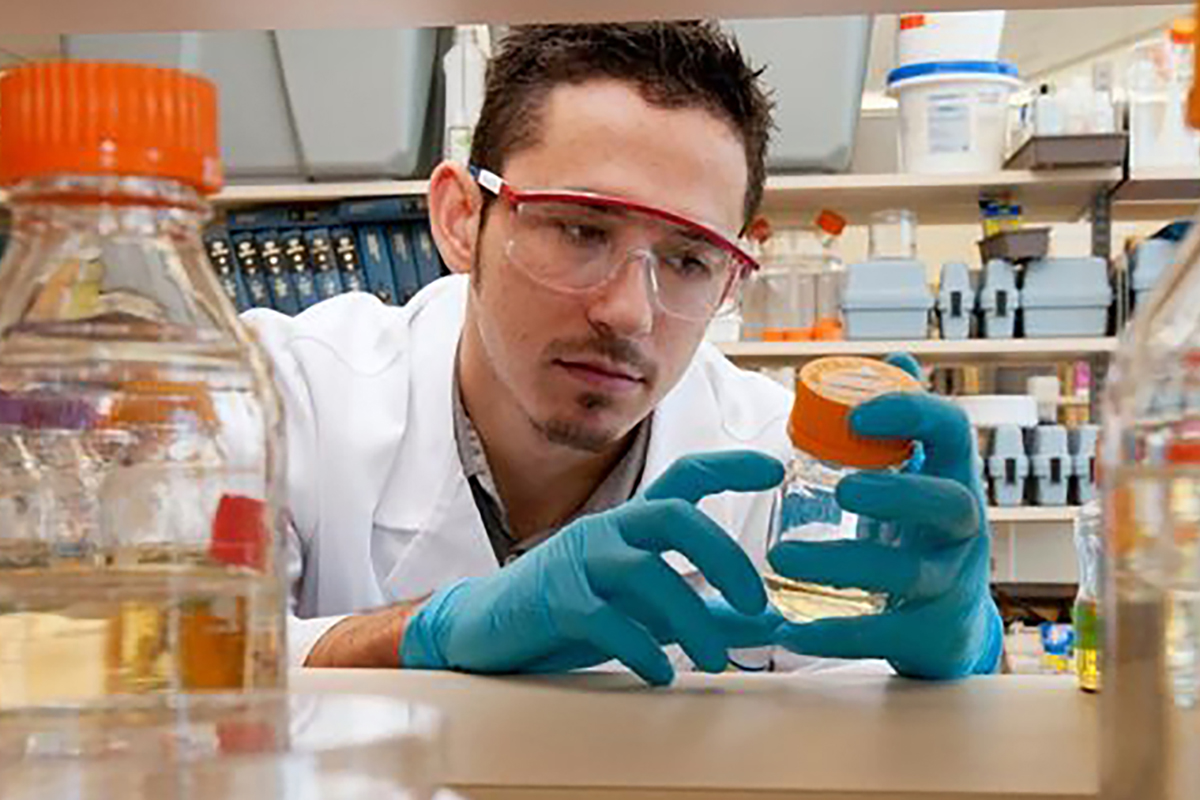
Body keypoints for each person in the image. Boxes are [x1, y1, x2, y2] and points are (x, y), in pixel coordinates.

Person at [244, 22, 1002, 685]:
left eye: (690, 259)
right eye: (581, 230)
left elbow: (872, 738)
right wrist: (423, 634)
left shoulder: (780, 468)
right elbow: (183, 664)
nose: (630, 313)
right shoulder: (286, 393)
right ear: (461, 219)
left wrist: (958, 659)